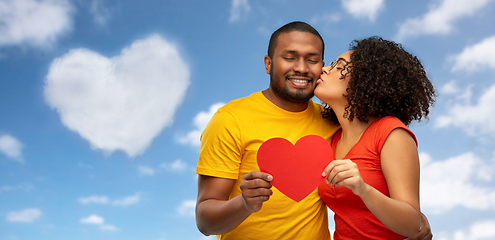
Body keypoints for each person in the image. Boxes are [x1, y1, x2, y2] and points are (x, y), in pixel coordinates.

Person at [196, 22, 432, 240]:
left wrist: (415, 220)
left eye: (313, 60)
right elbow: (205, 221)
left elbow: (397, 199)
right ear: (268, 63)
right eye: (289, 57)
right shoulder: (231, 120)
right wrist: (244, 204)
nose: (302, 68)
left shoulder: (333, 122)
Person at [315, 36, 435, 239]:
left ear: (364, 80)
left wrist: (363, 189)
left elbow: (413, 225)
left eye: (339, 66)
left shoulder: (390, 132)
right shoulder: (331, 137)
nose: (324, 69)